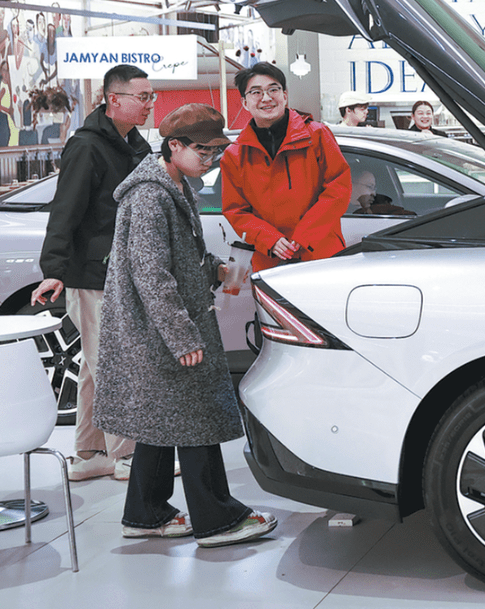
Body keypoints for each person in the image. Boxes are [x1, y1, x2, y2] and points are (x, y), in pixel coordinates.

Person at [93, 103, 277, 548]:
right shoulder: (150, 196)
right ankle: (219, 520)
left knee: (162, 422)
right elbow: (150, 273)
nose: (210, 159)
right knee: (197, 419)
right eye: (203, 150)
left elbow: (178, 256)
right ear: (174, 146)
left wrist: (216, 269)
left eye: (215, 151)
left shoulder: (172, 186)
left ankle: (146, 513)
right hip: (160, 332)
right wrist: (181, 336)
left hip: (160, 329)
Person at [31, 64, 153, 481]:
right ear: (113, 99)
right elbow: (65, 210)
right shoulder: (87, 146)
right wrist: (54, 268)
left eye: (151, 97)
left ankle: (91, 452)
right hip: (93, 275)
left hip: (122, 271)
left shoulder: (134, 145)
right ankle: (128, 456)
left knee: (94, 366)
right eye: (142, 97)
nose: (149, 105)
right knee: (114, 365)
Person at [221, 62, 351, 271]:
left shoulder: (317, 135)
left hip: (320, 253)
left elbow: (339, 189)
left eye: (273, 89)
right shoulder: (235, 155)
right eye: (256, 92)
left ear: (285, 96)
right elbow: (235, 210)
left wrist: (304, 236)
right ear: (245, 102)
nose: (266, 98)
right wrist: (269, 239)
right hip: (269, 259)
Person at [349, 169, 415, 216]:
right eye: (370, 187)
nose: (374, 193)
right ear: (351, 185)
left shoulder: (377, 209)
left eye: (374, 189)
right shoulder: (345, 213)